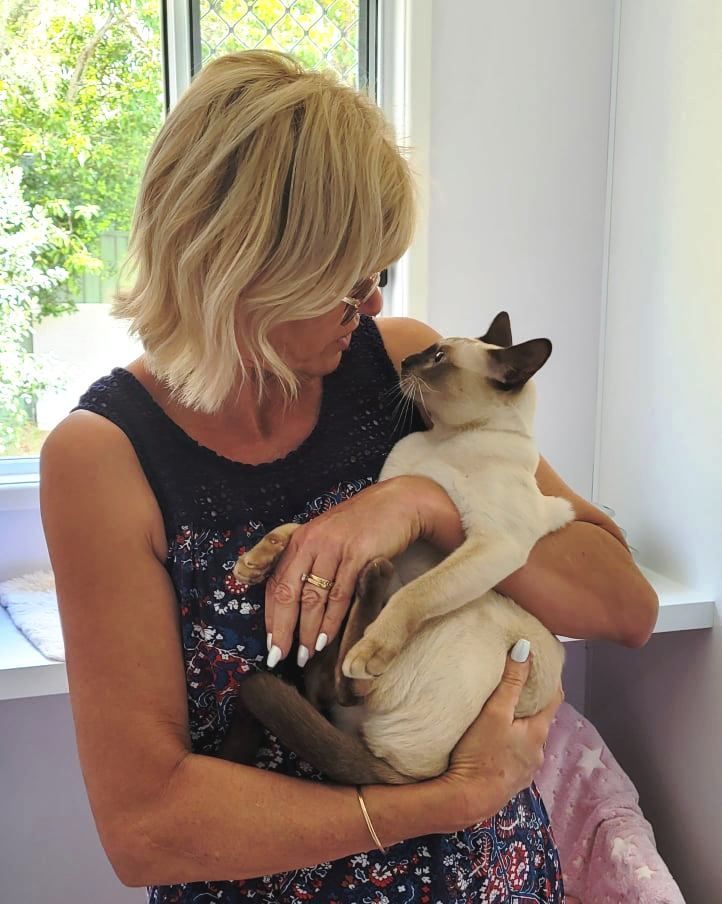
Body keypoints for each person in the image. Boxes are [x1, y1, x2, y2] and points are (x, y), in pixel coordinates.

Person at [39, 51, 658, 903]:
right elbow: (147, 828)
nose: (371, 304)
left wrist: (422, 502)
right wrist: (443, 803)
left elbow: (627, 608)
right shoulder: (103, 459)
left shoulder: (405, 368)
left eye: (382, 274)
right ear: (248, 266)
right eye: (349, 279)